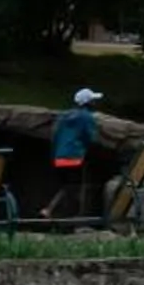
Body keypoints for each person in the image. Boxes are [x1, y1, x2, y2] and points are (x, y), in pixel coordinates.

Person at [46, 87, 103, 220]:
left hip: (59, 157)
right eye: (93, 100)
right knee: (75, 188)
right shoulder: (86, 117)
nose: (95, 103)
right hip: (74, 157)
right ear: (88, 102)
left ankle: (51, 210)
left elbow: (55, 134)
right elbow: (92, 137)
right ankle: (64, 214)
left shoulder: (64, 116)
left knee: (66, 186)